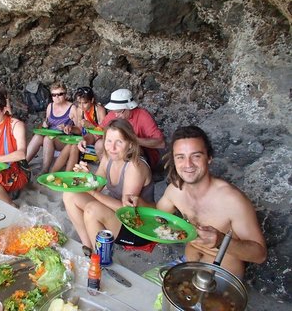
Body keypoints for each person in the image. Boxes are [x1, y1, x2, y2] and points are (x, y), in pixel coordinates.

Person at [124, 126, 267, 278]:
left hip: (218, 278)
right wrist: (139, 203)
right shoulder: (175, 190)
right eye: (180, 157)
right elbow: (158, 217)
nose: (188, 164)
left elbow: (260, 255)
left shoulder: (232, 201)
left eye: (196, 156)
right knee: (142, 288)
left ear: (209, 157)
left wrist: (221, 240)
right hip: (187, 264)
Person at [63, 119, 155, 250]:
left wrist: (93, 192)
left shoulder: (135, 166)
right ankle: (87, 247)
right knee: (70, 194)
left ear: (130, 144)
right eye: (109, 141)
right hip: (115, 217)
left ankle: (100, 258)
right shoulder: (108, 158)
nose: (112, 148)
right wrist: (86, 177)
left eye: (119, 142)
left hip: (138, 227)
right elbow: (97, 186)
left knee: (92, 209)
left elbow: (127, 211)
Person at [78, 88, 165, 168]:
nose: (116, 115)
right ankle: (107, 172)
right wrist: (84, 140)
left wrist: (132, 139)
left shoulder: (142, 116)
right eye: (114, 111)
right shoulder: (113, 114)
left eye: (119, 111)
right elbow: (97, 133)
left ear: (129, 107)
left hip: (143, 155)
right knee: (99, 144)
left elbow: (161, 143)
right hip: (119, 150)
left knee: (129, 147)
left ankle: (130, 176)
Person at [26, 82, 78, 174]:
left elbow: (80, 130)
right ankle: (24, 163)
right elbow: (46, 123)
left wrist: (69, 127)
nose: (56, 97)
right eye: (54, 95)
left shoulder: (72, 108)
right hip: (51, 135)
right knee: (38, 136)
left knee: (47, 139)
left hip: (65, 139)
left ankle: (45, 169)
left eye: (60, 94)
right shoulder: (50, 106)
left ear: (65, 94)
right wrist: (44, 125)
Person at [51, 86, 106, 172]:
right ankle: (53, 172)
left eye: (84, 103)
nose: (81, 106)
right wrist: (70, 128)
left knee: (75, 146)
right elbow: (80, 129)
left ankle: (67, 174)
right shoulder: (80, 110)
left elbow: (104, 131)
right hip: (85, 139)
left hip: (96, 142)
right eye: (79, 103)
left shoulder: (99, 110)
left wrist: (91, 126)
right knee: (71, 145)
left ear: (92, 100)